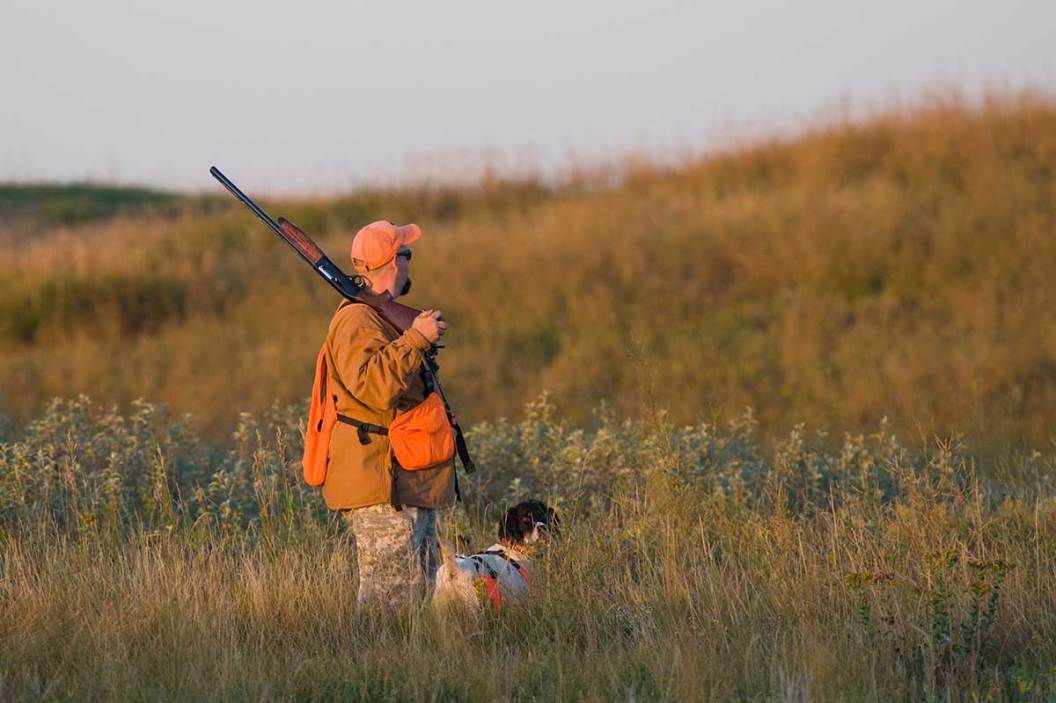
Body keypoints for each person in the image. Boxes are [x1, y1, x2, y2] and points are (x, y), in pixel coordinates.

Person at [320, 220, 457, 607]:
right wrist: (416, 339)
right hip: (382, 481)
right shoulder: (356, 320)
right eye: (407, 254)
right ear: (395, 261)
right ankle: (371, 652)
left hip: (404, 478)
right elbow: (374, 387)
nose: (410, 262)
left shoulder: (380, 317)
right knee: (389, 601)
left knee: (414, 595)